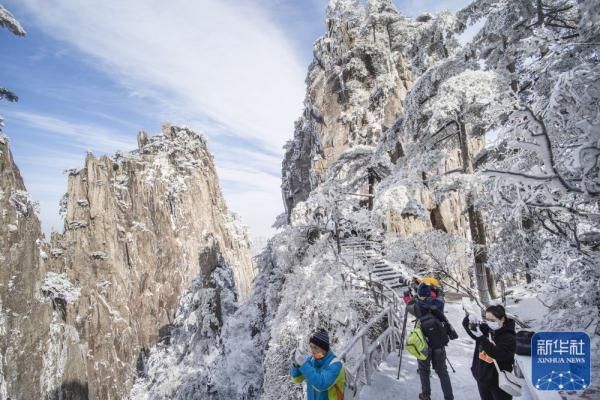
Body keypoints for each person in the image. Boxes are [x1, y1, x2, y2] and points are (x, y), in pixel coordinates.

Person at [407, 283, 455, 400]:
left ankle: (426, 395)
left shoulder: (416, 306)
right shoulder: (439, 303)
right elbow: (440, 298)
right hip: (438, 343)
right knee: (443, 372)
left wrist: (413, 296)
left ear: (419, 294)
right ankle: (449, 397)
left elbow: (408, 305)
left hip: (423, 344)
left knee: (424, 371)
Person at [462, 304, 517, 400]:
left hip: (499, 383)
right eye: (487, 319)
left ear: (502, 319)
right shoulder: (486, 329)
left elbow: (497, 354)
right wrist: (468, 320)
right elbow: (471, 330)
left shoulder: (509, 337)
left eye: (492, 320)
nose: (489, 323)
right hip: (482, 378)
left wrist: (482, 338)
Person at [290, 329, 346, 400]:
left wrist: (303, 364)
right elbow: (296, 379)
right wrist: (296, 364)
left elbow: (321, 384)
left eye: (315, 348)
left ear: (324, 348)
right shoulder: (312, 360)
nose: (312, 351)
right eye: (311, 346)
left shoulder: (336, 365)